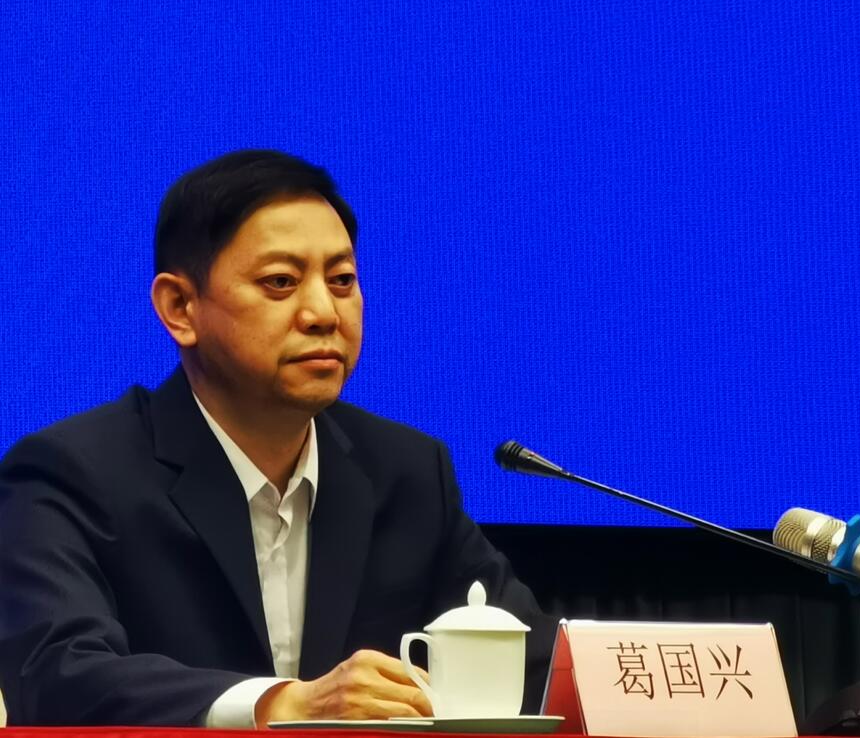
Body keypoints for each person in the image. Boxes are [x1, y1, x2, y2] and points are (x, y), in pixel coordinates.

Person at [0, 150, 555, 727]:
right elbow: (56, 674)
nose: (323, 313)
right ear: (180, 307)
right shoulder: (73, 471)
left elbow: (539, 665)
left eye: (342, 281)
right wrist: (280, 703)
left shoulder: (407, 470)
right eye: (280, 283)